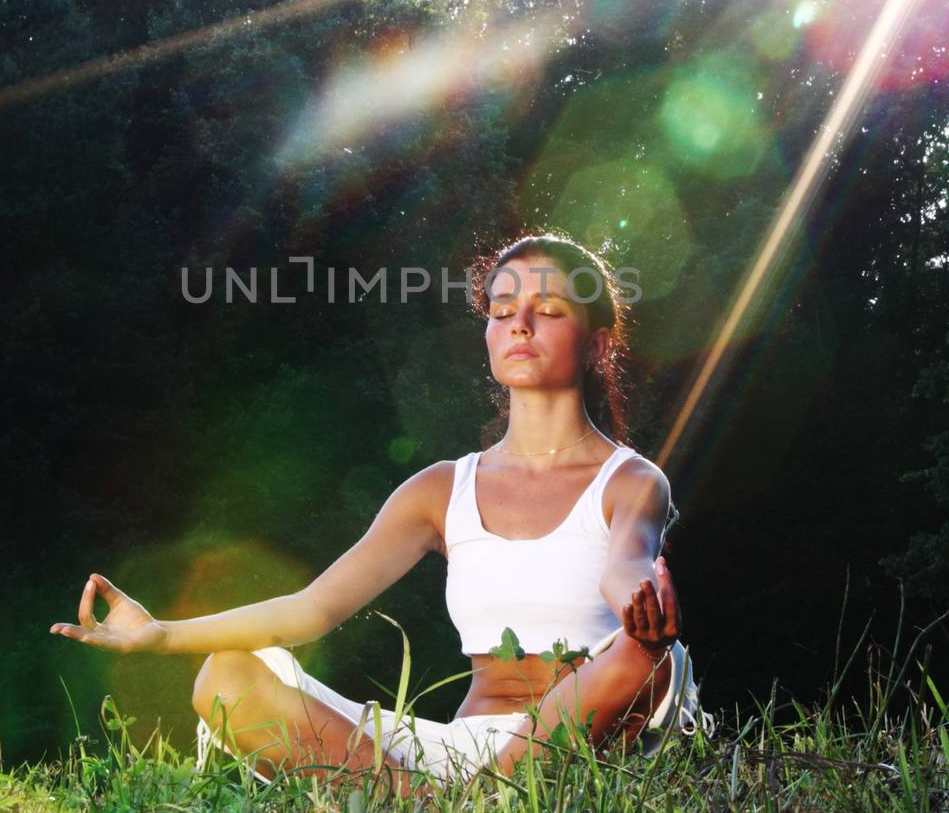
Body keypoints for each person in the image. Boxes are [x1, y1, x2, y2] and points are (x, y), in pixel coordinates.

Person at [49, 233, 705, 795]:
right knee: (227, 675)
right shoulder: (441, 490)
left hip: (580, 742)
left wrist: (641, 605)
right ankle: (429, 802)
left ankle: (464, 801)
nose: (520, 324)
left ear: (595, 342)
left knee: (653, 657)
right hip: (454, 757)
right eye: (502, 310)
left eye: (549, 309)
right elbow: (311, 610)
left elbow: (628, 561)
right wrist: (159, 633)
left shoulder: (630, 479)